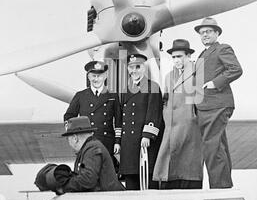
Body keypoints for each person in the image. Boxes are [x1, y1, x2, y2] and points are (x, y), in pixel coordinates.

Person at [194, 17, 243, 188]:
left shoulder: (222, 48)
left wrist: (215, 83)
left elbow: (236, 69)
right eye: (202, 33)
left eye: (208, 31)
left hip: (217, 104)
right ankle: (224, 187)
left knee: (212, 147)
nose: (205, 35)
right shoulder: (201, 54)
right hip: (206, 106)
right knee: (217, 145)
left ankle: (219, 188)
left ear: (216, 33)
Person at [153, 39, 203, 189]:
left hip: (190, 126)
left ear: (188, 56)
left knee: (188, 164)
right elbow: (165, 99)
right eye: (174, 57)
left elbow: (201, 99)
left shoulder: (196, 73)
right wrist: (166, 115)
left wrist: (193, 116)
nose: (176, 60)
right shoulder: (169, 76)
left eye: (179, 56)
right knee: (168, 163)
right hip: (171, 126)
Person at [119, 54, 164, 190]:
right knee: (131, 185)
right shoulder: (124, 89)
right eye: (131, 67)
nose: (134, 71)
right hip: (128, 145)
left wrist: (147, 135)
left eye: (137, 67)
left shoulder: (152, 87)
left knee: (148, 185)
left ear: (144, 68)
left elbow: (154, 112)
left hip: (144, 144)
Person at [64, 61, 122, 165]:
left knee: (106, 176)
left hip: (107, 142)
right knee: (88, 175)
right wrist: (75, 137)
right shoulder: (80, 96)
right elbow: (69, 116)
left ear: (105, 76)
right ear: (88, 77)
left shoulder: (113, 96)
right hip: (87, 143)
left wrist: (117, 142)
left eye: (99, 76)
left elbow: (118, 121)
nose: (96, 79)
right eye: (93, 76)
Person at [59, 116, 124, 193]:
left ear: (75, 138)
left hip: (107, 199)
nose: (68, 143)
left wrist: (63, 186)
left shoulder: (92, 149)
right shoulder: (90, 147)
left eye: (68, 139)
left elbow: (87, 180)